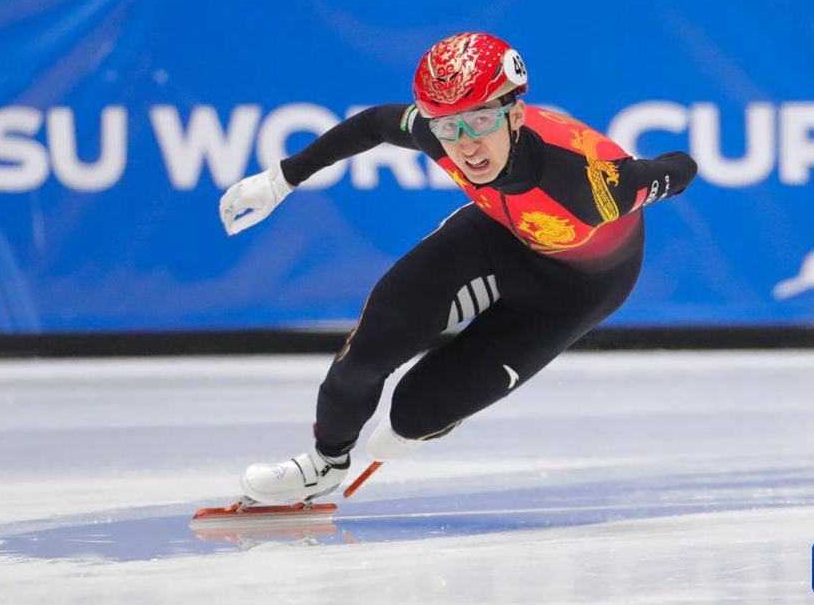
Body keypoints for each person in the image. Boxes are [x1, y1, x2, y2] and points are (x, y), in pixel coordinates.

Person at [219, 32, 697, 505]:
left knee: (412, 415)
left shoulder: (593, 185)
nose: (465, 146)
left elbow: (682, 167)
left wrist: (639, 172)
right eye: (448, 127)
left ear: (514, 114)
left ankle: (434, 414)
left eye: (481, 121)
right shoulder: (439, 132)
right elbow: (373, 125)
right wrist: (281, 179)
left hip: (574, 292)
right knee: (366, 352)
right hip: (495, 237)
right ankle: (323, 465)